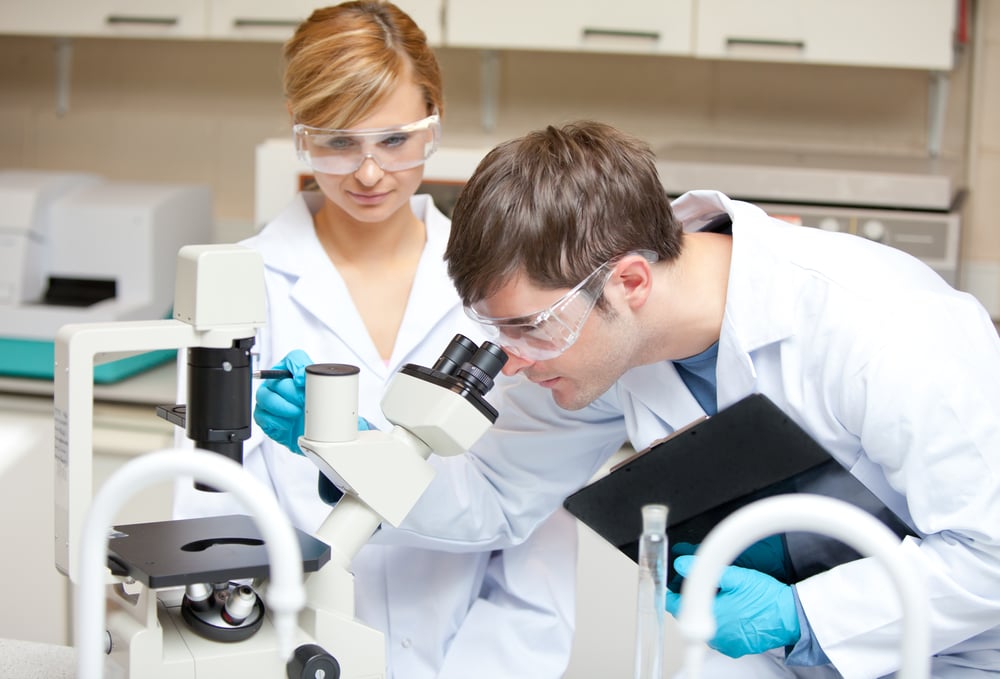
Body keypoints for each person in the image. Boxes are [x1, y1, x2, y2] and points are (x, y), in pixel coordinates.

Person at [257, 120, 1000, 677]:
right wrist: (356, 452)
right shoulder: (600, 340)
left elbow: (991, 555)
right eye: (494, 331)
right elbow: (492, 494)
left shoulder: (881, 325)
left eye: (528, 327)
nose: (510, 361)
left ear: (631, 282)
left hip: (963, 653)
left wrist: (802, 614)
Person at [173, 4, 578, 679]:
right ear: (298, 129)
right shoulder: (239, 285)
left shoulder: (504, 290)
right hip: (288, 654)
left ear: (435, 119)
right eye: (337, 142)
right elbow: (206, 509)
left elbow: (533, 518)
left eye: (395, 141)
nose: (367, 173)